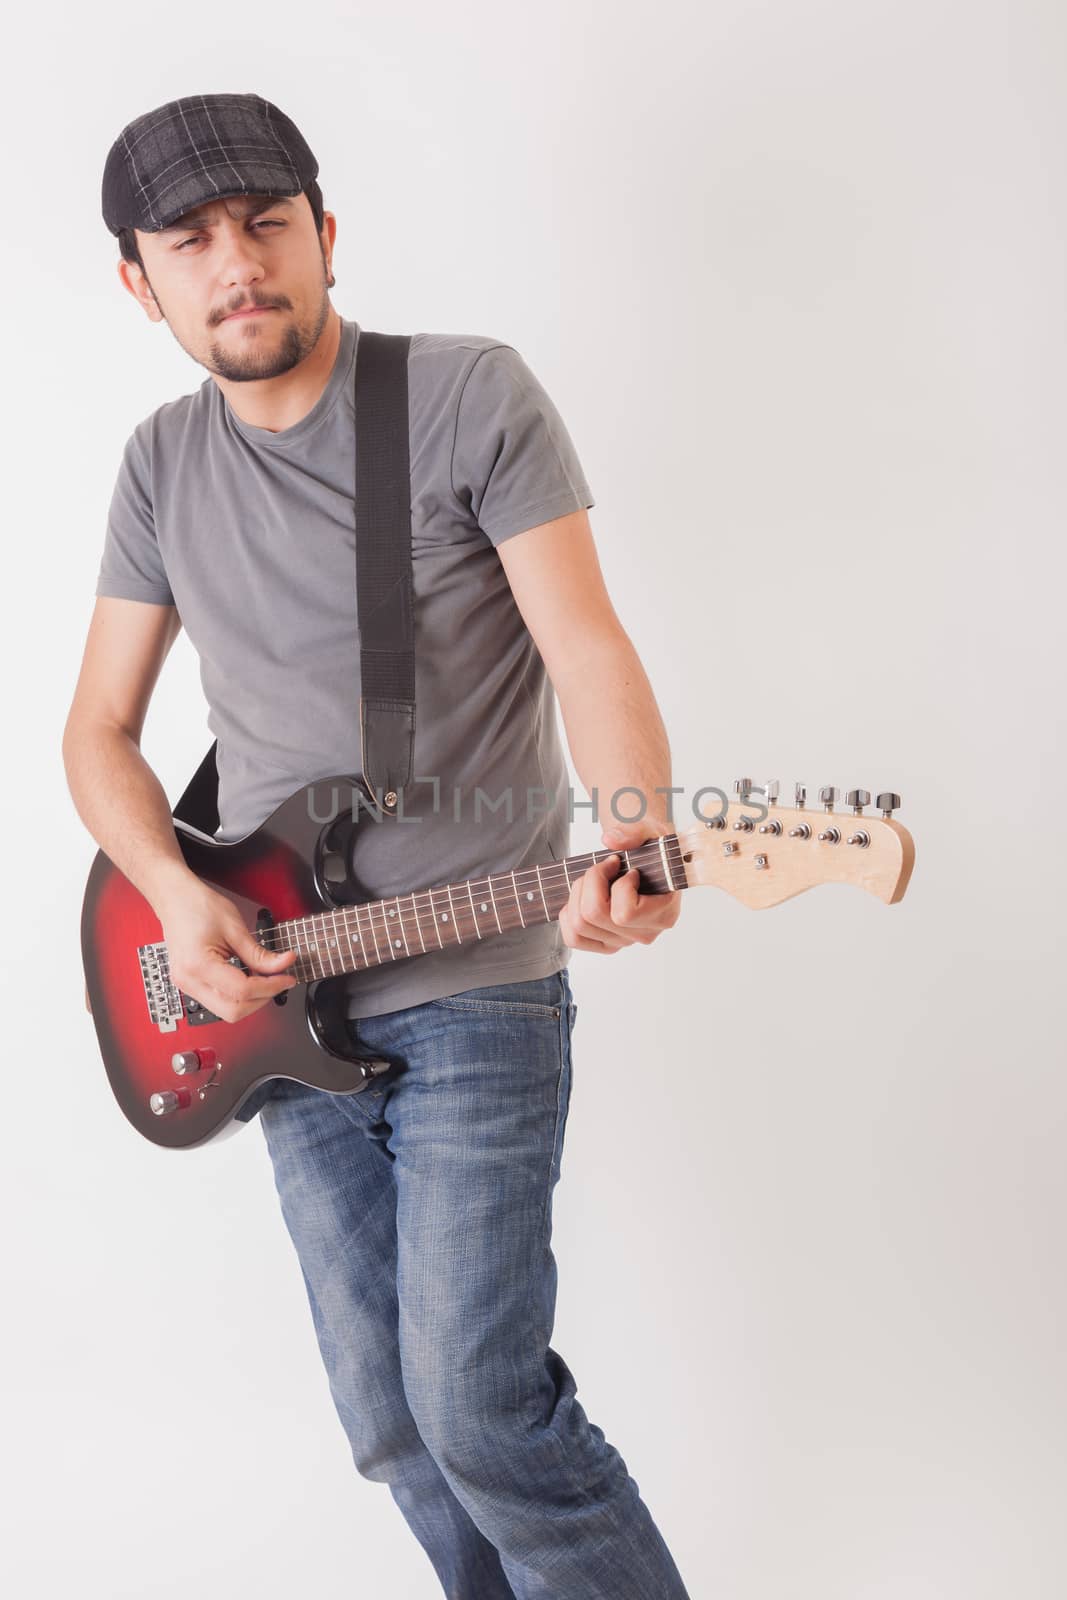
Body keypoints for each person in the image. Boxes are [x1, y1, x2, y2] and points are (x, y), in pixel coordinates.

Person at [63, 92, 691, 1599]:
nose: (239, 263)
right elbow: (98, 734)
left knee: (484, 1411)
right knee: (395, 1428)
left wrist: (640, 836)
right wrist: (171, 893)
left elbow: (586, 646)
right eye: (192, 240)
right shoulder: (159, 466)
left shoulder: (470, 395)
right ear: (139, 284)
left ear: (326, 234)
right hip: (280, 1008)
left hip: (478, 989)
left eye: (268, 221)